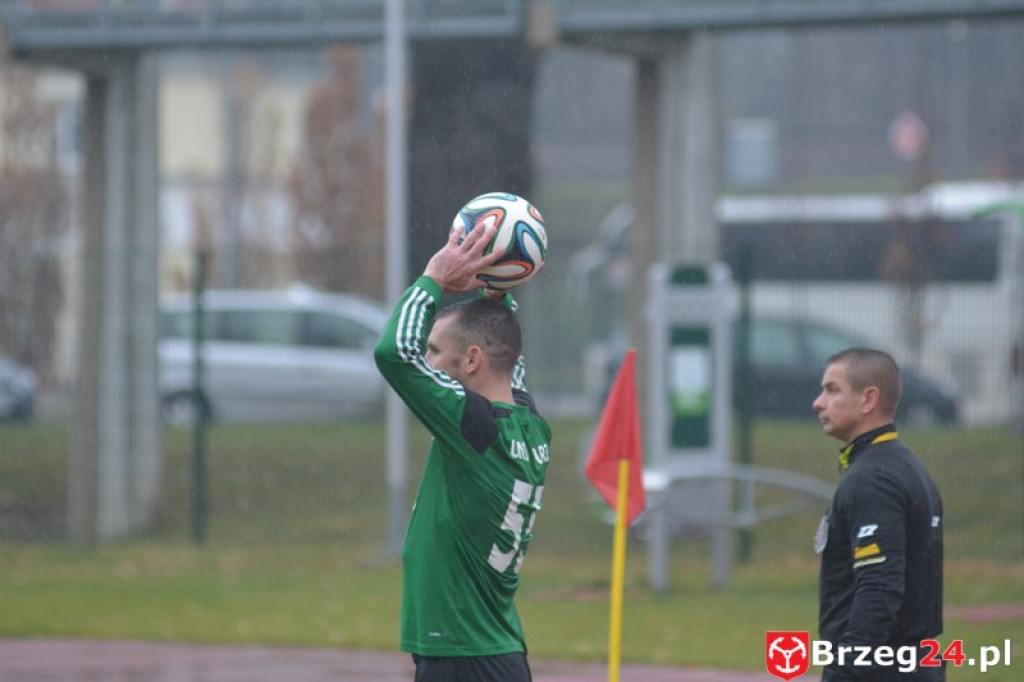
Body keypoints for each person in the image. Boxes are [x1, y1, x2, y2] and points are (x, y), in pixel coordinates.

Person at [374, 219, 551, 682]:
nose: (428, 360)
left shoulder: (475, 427)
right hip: (495, 653)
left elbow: (394, 353)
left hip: (461, 659)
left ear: (471, 361)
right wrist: (498, 289)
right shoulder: (529, 424)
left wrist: (434, 276)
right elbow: (506, 354)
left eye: (436, 350)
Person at [812, 348, 944, 681]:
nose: (818, 402)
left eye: (832, 390)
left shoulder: (873, 479)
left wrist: (845, 670)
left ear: (868, 399)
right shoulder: (904, 466)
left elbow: (879, 585)